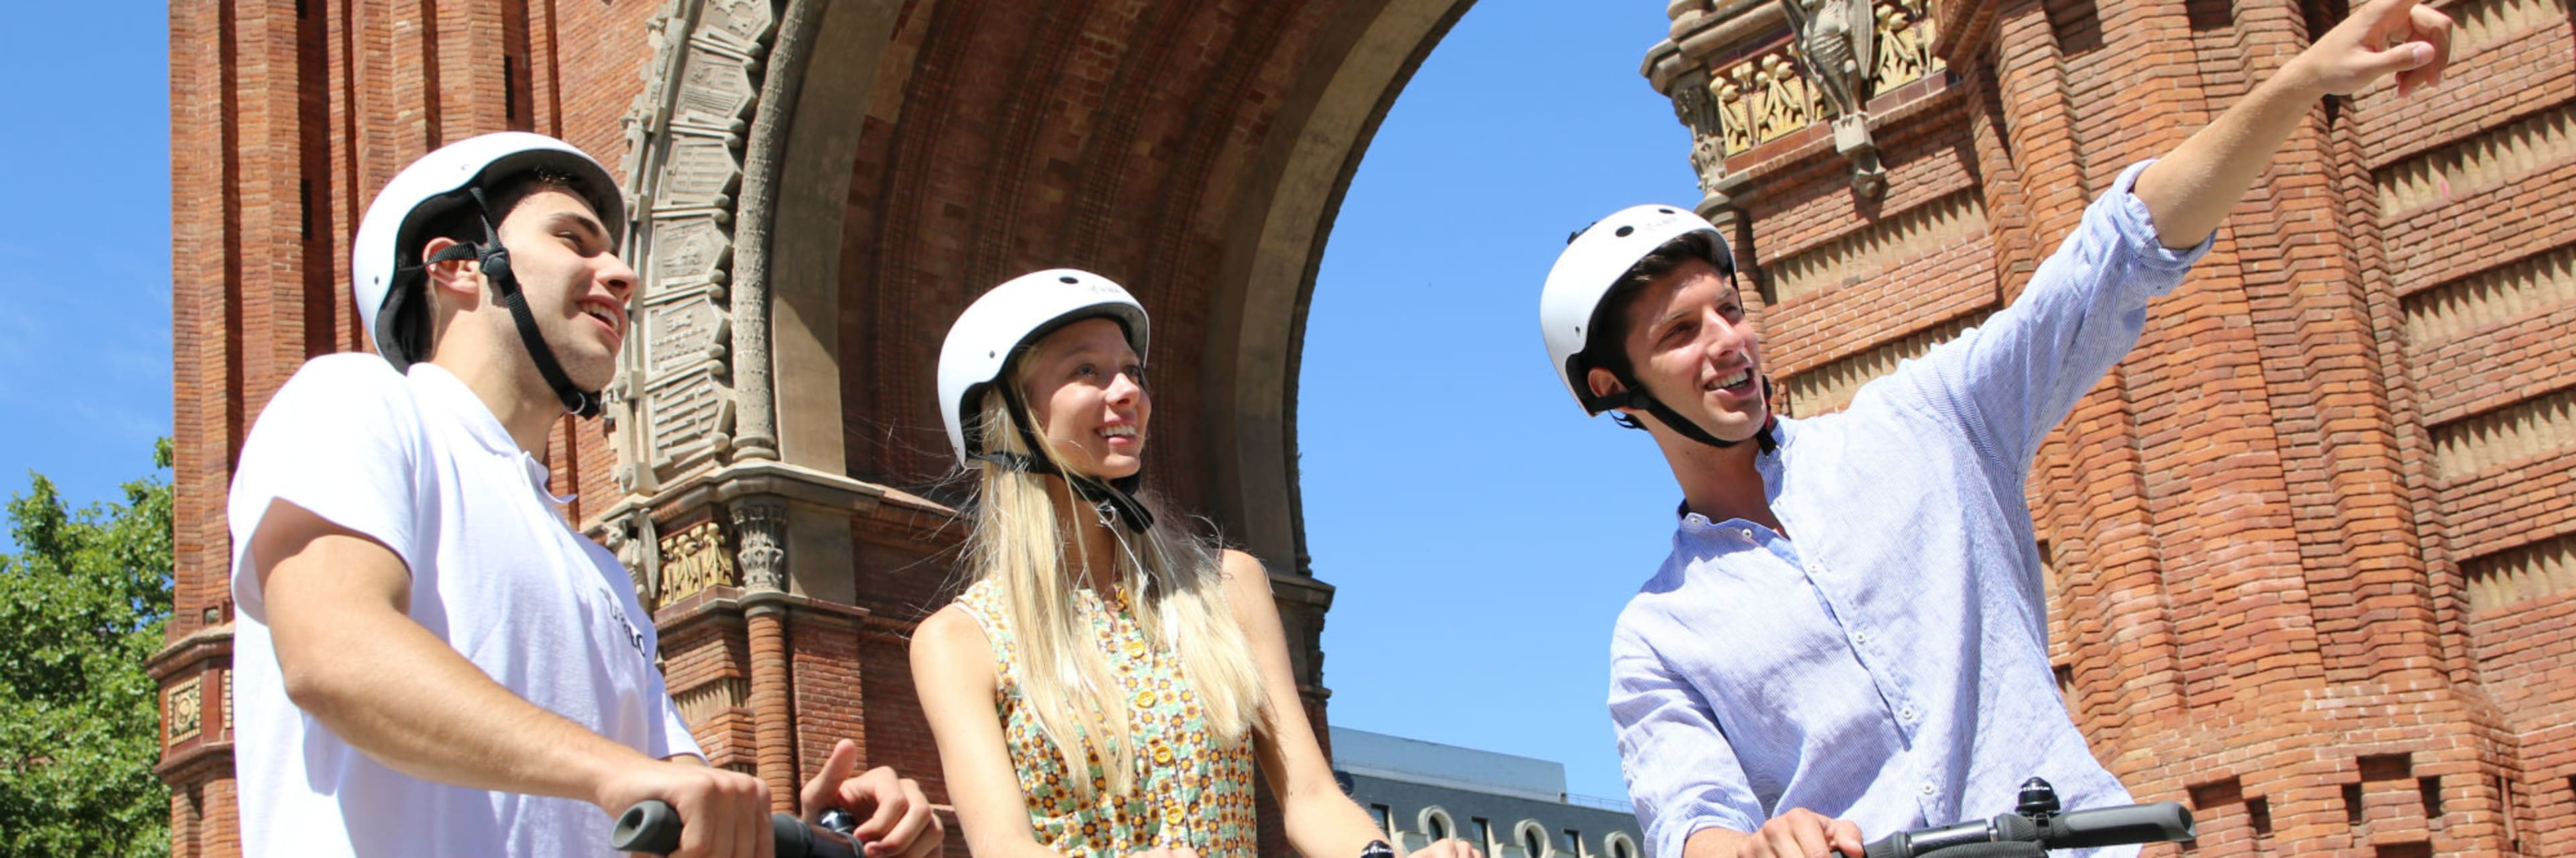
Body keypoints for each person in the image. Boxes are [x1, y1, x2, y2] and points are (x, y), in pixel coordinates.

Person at [1535, 3, 2457, 858]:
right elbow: (1689, 813)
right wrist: (1764, 844)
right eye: (1682, 332)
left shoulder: (1920, 426)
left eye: (1729, 310)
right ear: (1615, 388)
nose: (1729, 343)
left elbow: (2111, 261)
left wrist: (2300, 79)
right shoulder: (1659, 634)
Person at [227, 131, 943, 858]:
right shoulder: (354, 401)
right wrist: (612, 773)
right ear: (455, 267)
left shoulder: (598, 571)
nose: (622, 274)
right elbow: (335, 654)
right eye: (575, 240)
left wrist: (805, 836)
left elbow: (665, 809)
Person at [909, 270, 1479, 858]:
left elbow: (1310, 795)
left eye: (1133, 371)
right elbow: (1003, 846)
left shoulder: (1228, 586)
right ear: (1009, 413)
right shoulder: (958, 641)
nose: (1128, 391)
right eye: (1087, 371)